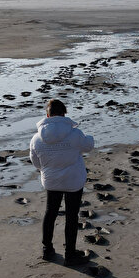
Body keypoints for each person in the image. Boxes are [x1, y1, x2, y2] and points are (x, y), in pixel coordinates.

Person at [29, 99, 95, 265]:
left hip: (51, 180)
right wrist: (89, 138)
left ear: (47, 115)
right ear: (64, 114)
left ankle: (47, 250)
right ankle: (70, 254)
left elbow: (36, 162)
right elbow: (88, 146)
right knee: (71, 216)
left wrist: (46, 170)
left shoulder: (36, 138)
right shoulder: (75, 134)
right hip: (73, 180)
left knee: (50, 213)